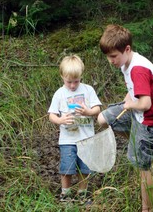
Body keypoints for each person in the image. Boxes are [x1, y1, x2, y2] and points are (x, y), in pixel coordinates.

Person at [97, 24, 153, 212]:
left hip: (151, 120)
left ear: (127, 49)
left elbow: (145, 104)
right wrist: (129, 98)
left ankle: (148, 208)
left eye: (113, 56)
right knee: (103, 119)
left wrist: (129, 105)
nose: (110, 61)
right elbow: (135, 92)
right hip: (138, 112)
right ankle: (136, 141)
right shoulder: (125, 62)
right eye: (108, 56)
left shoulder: (138, 69)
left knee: (141, 164)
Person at [48, 54, 102, 202]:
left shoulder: (88, 90)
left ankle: (82, 192)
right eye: (69, 82)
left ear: (81, 76)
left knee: (84, 167)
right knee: (67, 165)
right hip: (67, 139)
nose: (72, 85)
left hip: (86, 137)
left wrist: (88, 112)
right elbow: (51, 115)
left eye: (76, 81)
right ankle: (65, 193)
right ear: (62, 77)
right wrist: (60, 120)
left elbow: (97, 108)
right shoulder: (59, 93)